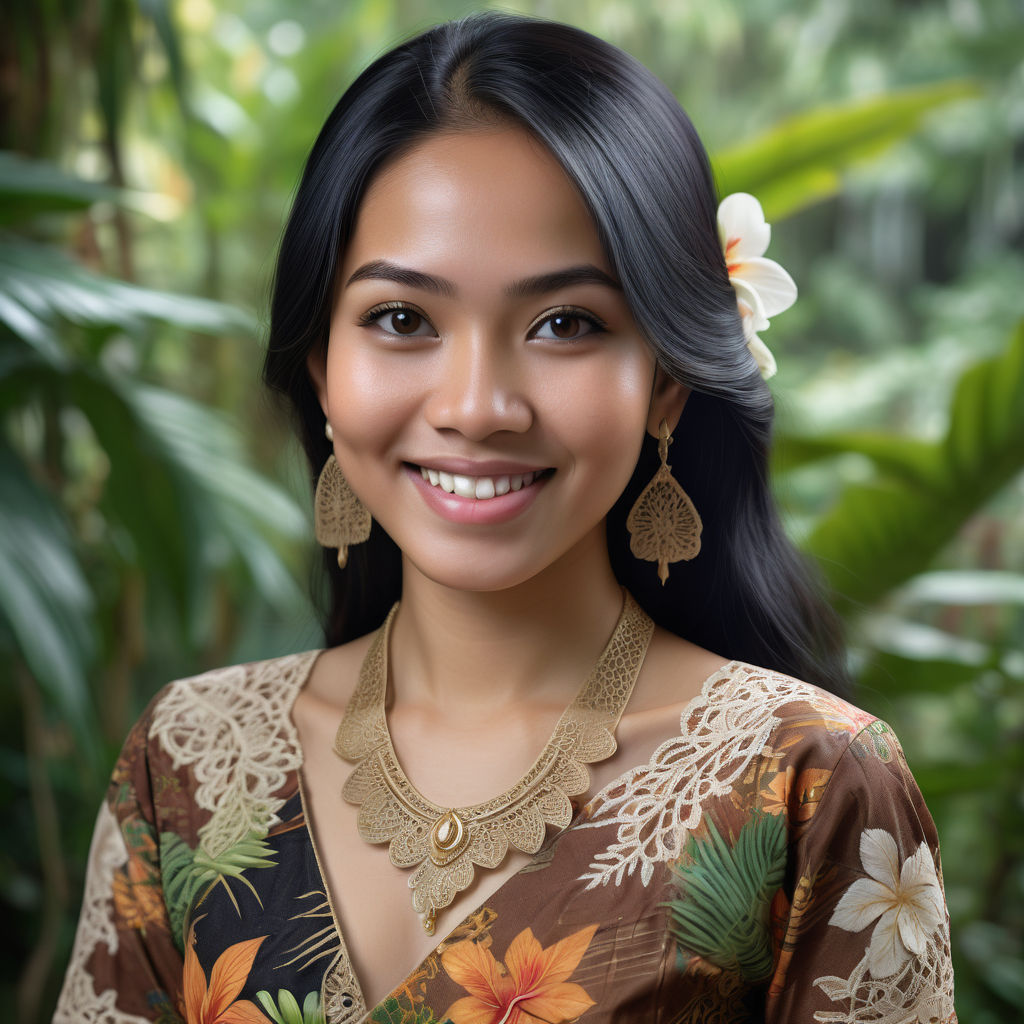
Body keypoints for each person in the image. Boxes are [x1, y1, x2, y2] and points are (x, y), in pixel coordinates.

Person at [54, 11, 956, 1024]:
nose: (477, 406)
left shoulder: (808, 786)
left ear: (664, 383)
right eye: (402, 319)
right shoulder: (184, 762)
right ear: (321, 370)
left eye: (564, 323)